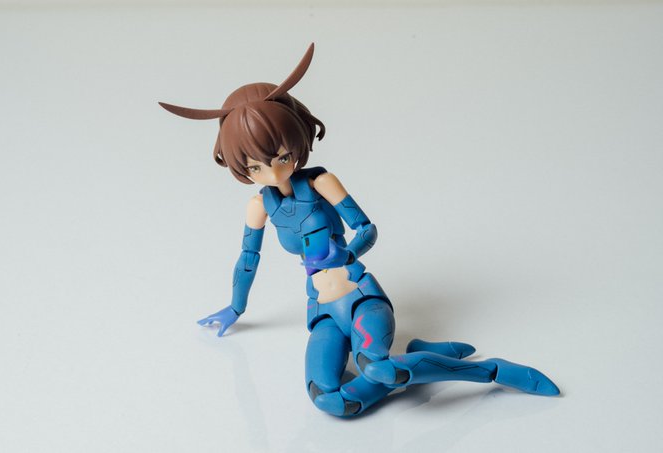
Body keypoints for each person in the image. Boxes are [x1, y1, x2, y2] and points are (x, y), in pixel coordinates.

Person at [159, 43, 560, 417]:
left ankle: (491, 372)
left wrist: (347, 253)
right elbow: (248, 259)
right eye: (255, 166)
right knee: (330, 400)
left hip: (360, 297)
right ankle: (416, 362)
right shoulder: (259, 206)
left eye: (281, 156)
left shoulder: (321, 183)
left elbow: (366, 228)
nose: (274, 171)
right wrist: (235, 308)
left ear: (296, 139)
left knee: (381, 369)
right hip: (321, 312)